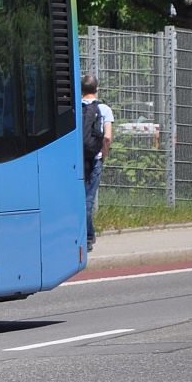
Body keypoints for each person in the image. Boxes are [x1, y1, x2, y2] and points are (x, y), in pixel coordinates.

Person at [80, 74, 113, 253]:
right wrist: (103, 156)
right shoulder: (104, 109)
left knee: (78, 198)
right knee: (88, 200)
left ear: (81, 90)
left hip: (77, 161)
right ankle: (87, 238)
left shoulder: (75, 108)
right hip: (95, 159)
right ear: (97, 89)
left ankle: (88, 234)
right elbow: (107, 137)